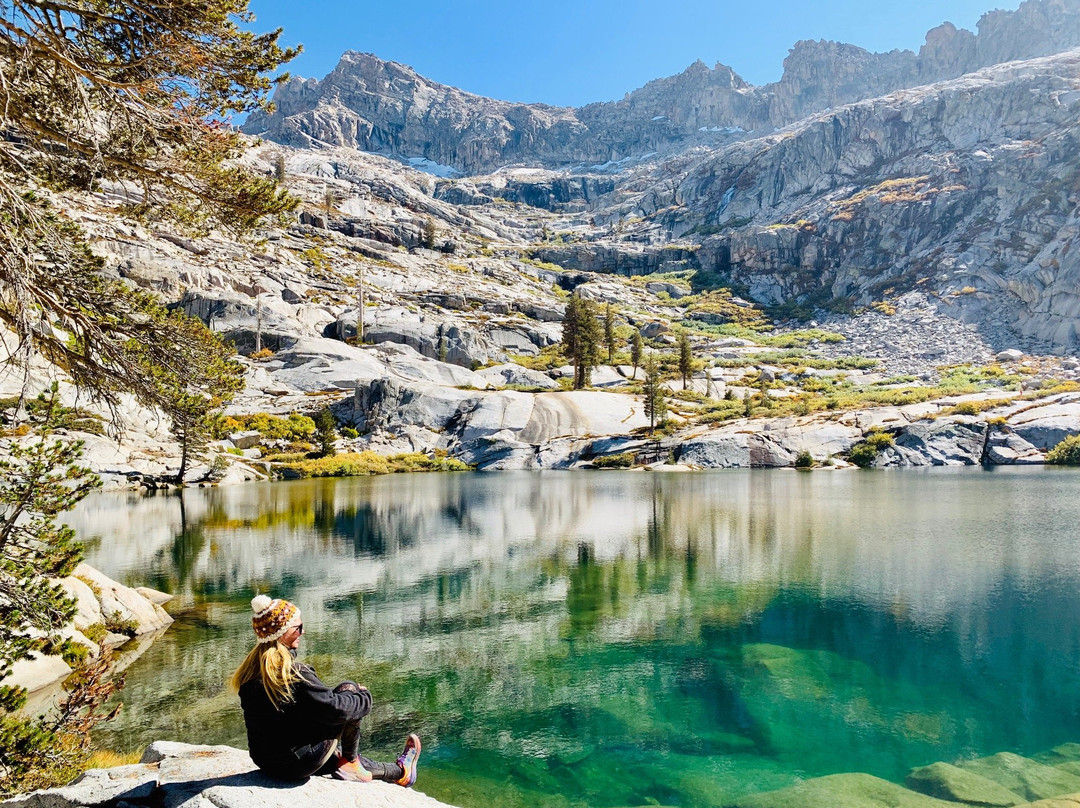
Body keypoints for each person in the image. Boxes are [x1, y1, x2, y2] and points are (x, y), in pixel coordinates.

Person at [230, 594, 421, 785]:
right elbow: (337, 710)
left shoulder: (249, 673)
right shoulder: (294, 674)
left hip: (267, 762)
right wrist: (364, 697)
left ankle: (400, 772)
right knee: (349, 689)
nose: (303, 632)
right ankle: (352, 762)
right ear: (282, 633)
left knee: (337, 758)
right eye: (298, 628)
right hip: (298, 764)